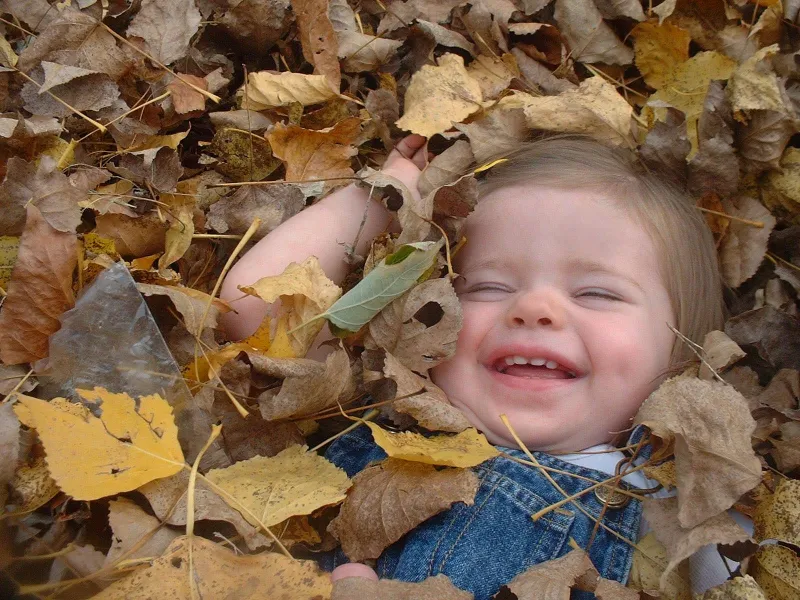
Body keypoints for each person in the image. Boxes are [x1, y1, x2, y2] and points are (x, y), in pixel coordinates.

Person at [220, 134, 742, 599]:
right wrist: (391, 193)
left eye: (597, 292)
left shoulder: (687, 525)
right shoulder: (381, 410)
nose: (536, 306)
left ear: (682, 356)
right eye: (488, 287)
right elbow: (254, 311)